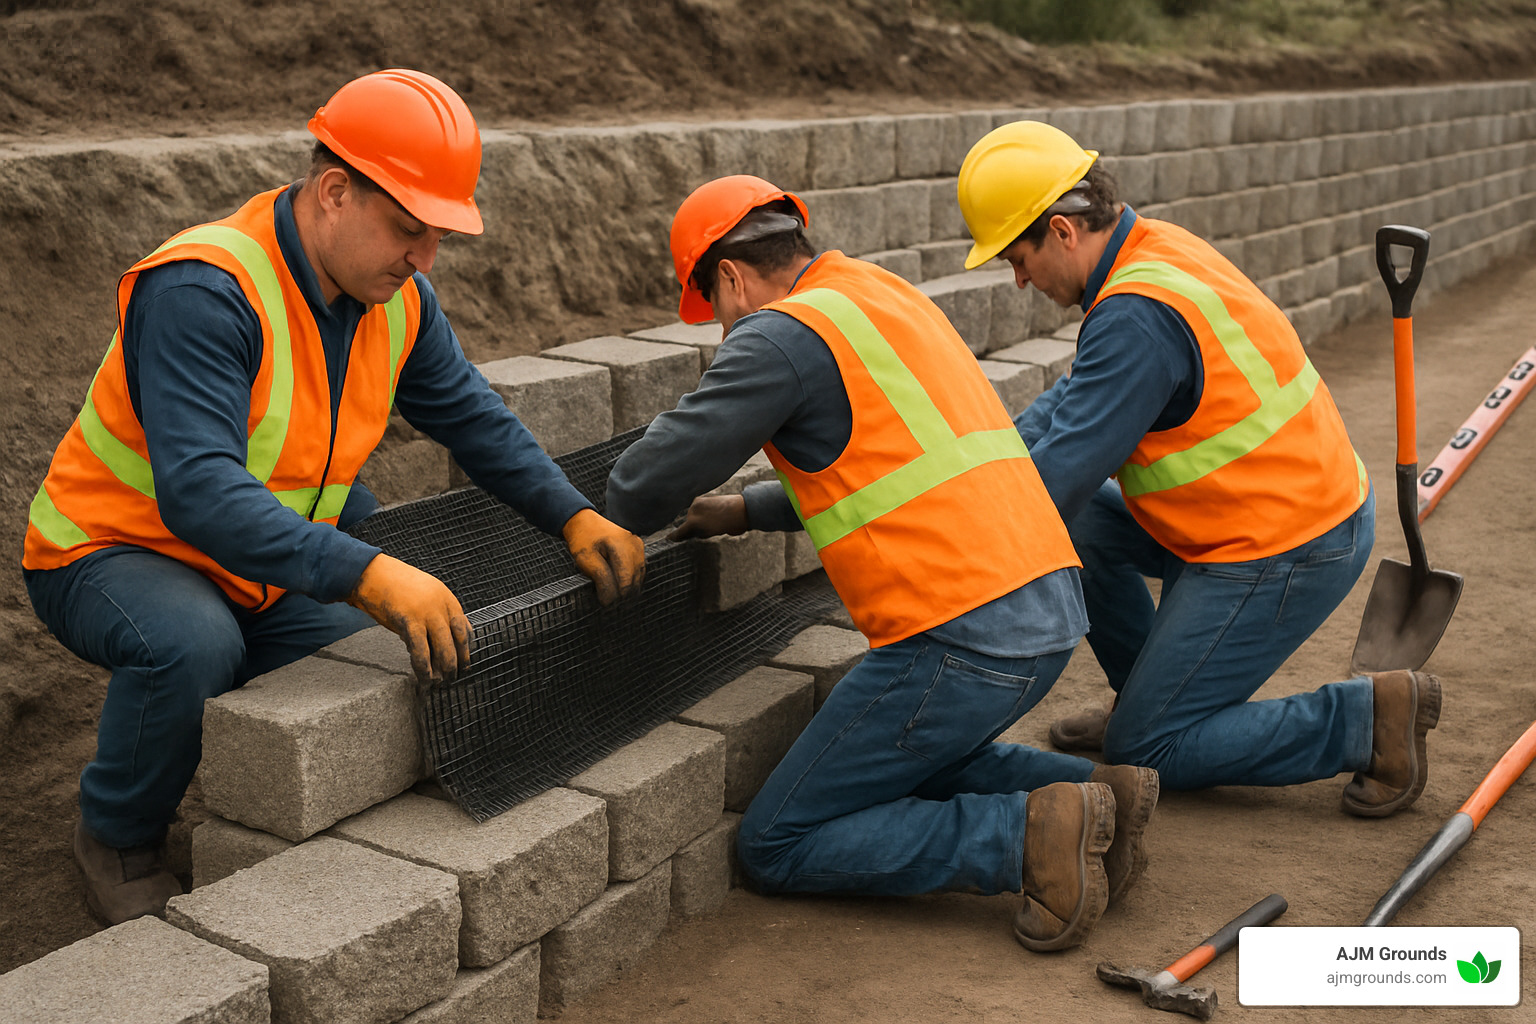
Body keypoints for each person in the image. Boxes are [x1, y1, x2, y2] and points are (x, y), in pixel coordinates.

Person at [21, 69, 645, 926]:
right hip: (114, 550)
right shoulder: (205, 291)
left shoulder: (397, 300)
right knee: (193, 645)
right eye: (408, 231)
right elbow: (200, 492)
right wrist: (372, 571)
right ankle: (118, 836)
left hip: (261, 564)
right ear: (335, 192)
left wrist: (569, 511)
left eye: (437, 237)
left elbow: (474, 421)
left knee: (375, 657)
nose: (425, 259)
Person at [605, 174, 1159, 952]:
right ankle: (1096, 797)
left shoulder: (777, 334)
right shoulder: (877, 295)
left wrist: (581, 516)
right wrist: (746, 508)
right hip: (1046, 610)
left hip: (959, 638)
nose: (724, 330)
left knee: (777, 841)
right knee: (892, 767)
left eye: (716, 312)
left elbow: (645, 482)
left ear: (729, 276)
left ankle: (1024, 836)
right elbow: (894, 463)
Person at [956, 120, 1439, 815]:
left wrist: (948, 537)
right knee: (1090, 527)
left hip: (1283, 544)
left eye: (1018, 256)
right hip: (1260, 509)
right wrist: (993, 455)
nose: (1019, 278)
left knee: (1145, 749)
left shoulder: (1135, 320)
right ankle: (1149, 695)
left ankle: (1367, 722)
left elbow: (1052, 487)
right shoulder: (1152, 250)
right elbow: (1071, 402)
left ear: (1063, 230)